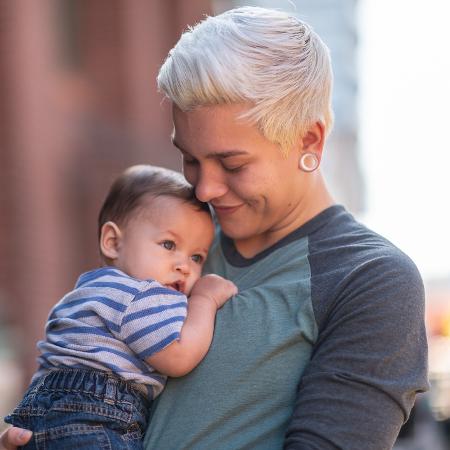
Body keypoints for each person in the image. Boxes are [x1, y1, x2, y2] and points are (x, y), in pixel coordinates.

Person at [1, 6, 428, 450]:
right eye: (189, 158)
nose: (204, 189)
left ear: (309, 140)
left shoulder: (371, 279)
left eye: (231, 163)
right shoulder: (172, 248)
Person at [2, 164, 237, 449]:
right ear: (112, 242)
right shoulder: (137, 295)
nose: (184, 266)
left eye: (197, 257)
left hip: (40, 415)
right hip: (97, 417)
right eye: (168, 244)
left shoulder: (86, 293)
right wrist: (205, 300)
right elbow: (179, 357)